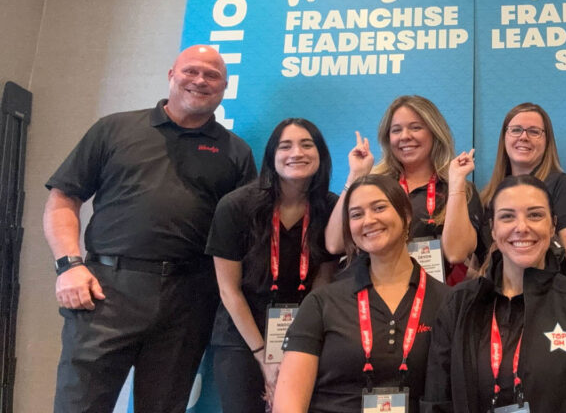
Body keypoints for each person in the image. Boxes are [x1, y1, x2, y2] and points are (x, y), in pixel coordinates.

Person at [43, 45, 257, 413]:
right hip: (105, 289)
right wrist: (68, 265)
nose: (200, 81)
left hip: (188, 299)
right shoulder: (115, 128)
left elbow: (242, 236)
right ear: (171, 74)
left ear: (224, 87)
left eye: (212, 76)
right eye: (192, 71)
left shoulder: (235, 152)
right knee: (79, 405)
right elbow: (64, 198)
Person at [422, 174, 566, 413]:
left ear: (553, 226)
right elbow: (437, 402)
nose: (521, 227)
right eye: (507, 216)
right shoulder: (458, 304)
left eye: (535, 215)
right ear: (493, 229)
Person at [273, 175, 449, 413]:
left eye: (379, 208)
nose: (369, 220)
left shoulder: (447, 302)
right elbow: (289, 404)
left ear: (406, 214)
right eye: (356, 214)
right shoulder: (321, 303)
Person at [206, 118, 339, 412]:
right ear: (271, 156)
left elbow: (324, 283)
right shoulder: (235, 206)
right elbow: (229, 290)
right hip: (242, 336)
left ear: (321, 154)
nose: (297, 153)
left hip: (304, 331)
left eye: (307, 145)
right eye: (285, 146)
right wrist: (263, 355)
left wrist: (297, 348)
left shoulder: (330, 207)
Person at [326, 95, 486, 285]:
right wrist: (356, 177)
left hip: (431, 299)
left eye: (416, 127)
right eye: (396, 130)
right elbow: (334, 244)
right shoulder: (373, 185)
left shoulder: (460, 189)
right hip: (368, 296)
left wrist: (456, 185)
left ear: (434, 132)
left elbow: (456, 253)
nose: (405, 136)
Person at [480, 102, 566, 284]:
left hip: (550, 304)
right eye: (516, 130)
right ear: (504, 138)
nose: (524, 137)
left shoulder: (563, 187)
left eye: (534, 131)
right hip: (501, 304)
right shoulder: (488, 197)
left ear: (547, 141)